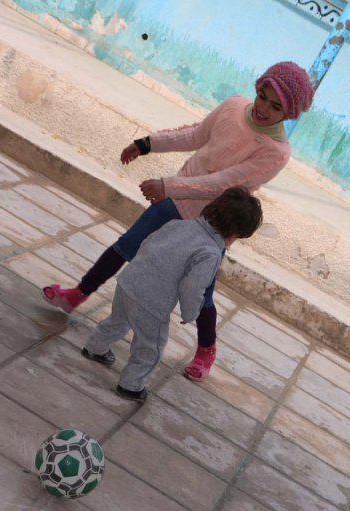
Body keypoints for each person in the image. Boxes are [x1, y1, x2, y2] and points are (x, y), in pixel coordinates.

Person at [44, 61, 314, 381]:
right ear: (257, 87)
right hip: (174, 202)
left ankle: (206, 350)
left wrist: (168, 186)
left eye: (275, 106)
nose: (263, 108)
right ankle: (77, 295)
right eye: (262, 95)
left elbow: (223, 184)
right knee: (126, 246)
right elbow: (195, 135)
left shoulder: (276, 152)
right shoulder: (232, 107)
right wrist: (148, 144)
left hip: (211, 226)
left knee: (201, 291)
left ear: (290, 112)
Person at [81, 187, 263, 402]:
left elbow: (148, 243)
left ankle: (95, 347)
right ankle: (130, 385)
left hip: (129, 281)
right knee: (151, 346)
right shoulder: (210, 252)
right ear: (234, 234)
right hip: (152, 303)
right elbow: (193, 287)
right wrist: (190, 312)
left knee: (118, 320)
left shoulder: (180, 224)